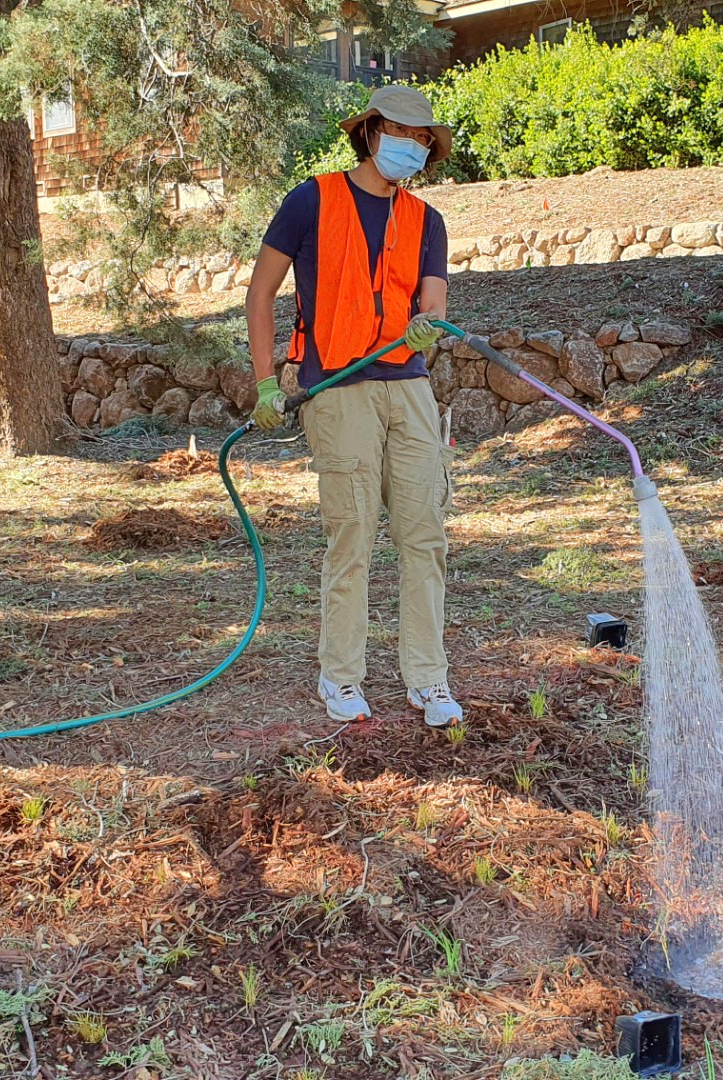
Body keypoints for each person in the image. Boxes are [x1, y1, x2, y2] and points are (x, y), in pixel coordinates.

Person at [244, 85, 461, 728]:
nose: (411, 144)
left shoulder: (427, 221)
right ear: (370, 132)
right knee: (354, 537)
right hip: (336, 391)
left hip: (410, 387)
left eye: (422, 137)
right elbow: (260, 297)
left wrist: (429, 326)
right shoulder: (310, 200)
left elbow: (435, 306)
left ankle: (428, 679)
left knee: (425, 535)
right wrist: (265, 383)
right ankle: (341, 679)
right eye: (400, 131)